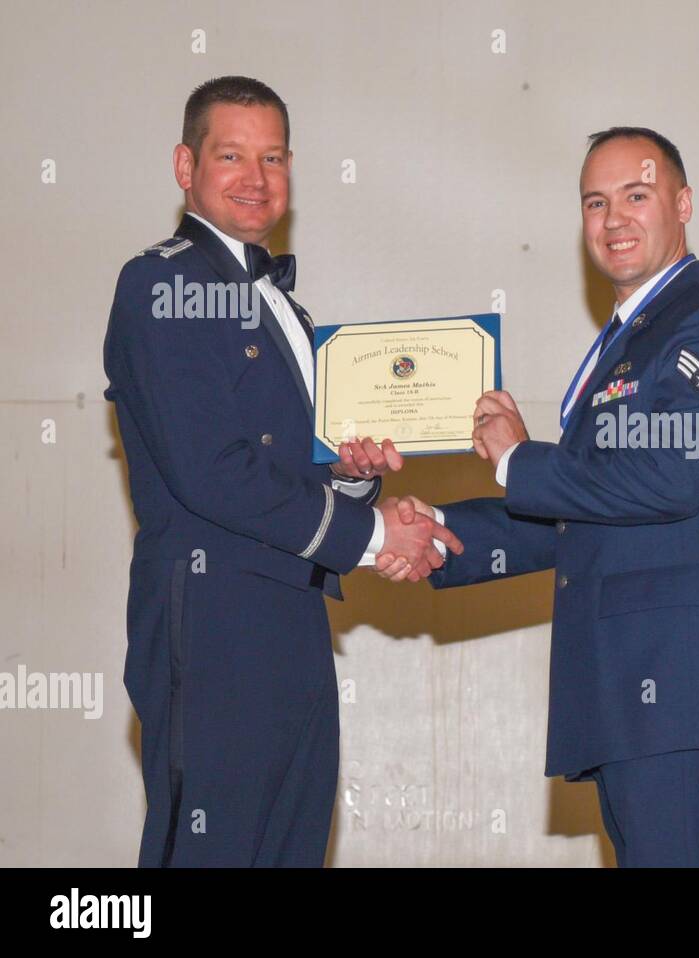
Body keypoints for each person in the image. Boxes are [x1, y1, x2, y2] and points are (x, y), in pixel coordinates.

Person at [377, 127, 699, 867]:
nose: (614, 219)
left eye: (636, 196)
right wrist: (442, 531)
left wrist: (519, 459)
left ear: (683, 204)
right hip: (631, 699)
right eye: (595, 202)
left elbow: (673, 477)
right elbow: (586, 517)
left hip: (687, 697)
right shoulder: (627, 341)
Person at [103, 76, 452, 866]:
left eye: (273, 158)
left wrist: (357, 477)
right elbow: (211, 472)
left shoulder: (285, 310)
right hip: (212, 619)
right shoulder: (162, 284)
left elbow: (292, 471)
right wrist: (371, 535)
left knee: (291, 846)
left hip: (294, 616)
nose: (255, 179)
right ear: (184, 166)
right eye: (231, 156)